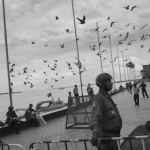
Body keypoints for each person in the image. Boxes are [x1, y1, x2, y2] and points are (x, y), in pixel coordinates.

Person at [90, 73, 122, 150]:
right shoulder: (98, 98)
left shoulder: (107, 97)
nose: (111, 83)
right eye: (108, 81)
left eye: (110, 81)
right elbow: (95, 116)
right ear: (102, 84)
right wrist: (95, 133)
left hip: (114, 137)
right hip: (106, 139)